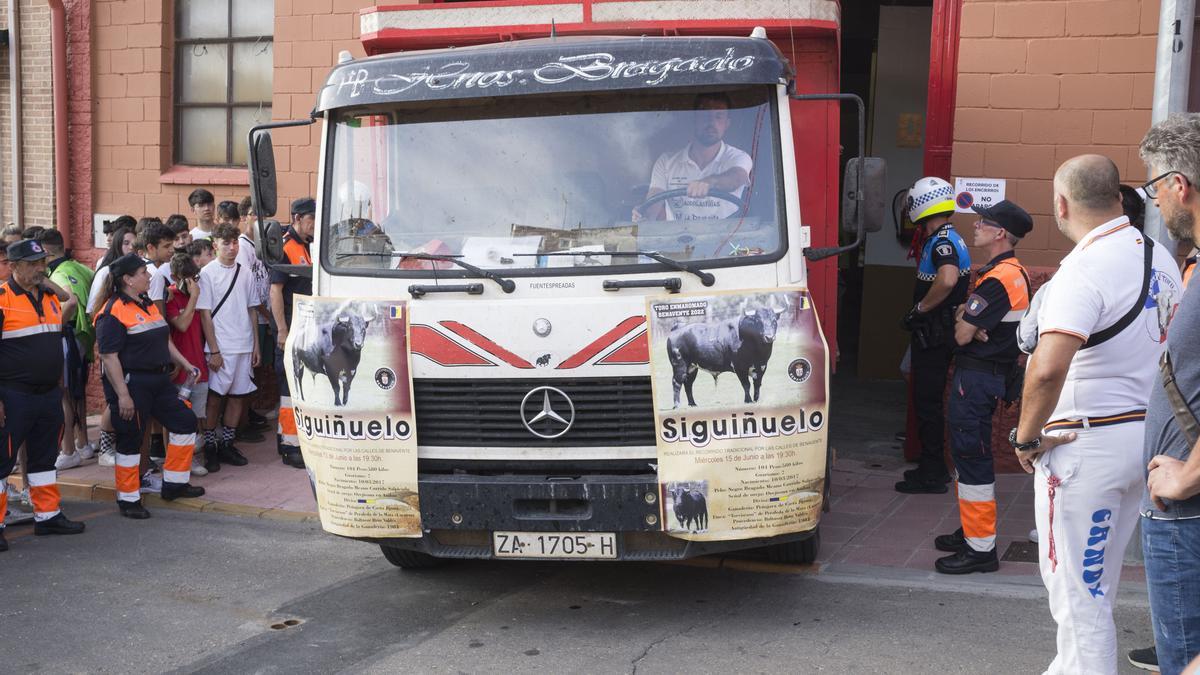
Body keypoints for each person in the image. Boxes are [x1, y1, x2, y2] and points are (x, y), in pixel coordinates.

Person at [1012, 155, 1181, 674]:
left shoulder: (1083, 271)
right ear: (1117, 195)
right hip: (1143, 438)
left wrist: (1025, 438)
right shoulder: (1160, 256)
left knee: (1077, 594)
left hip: (1087, 447)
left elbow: (1045, 369)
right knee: (1095, 585)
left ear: (1060, 205)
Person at [932, 201, 1033, 574]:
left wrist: (965, 320)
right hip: (987, 377)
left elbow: (961, 335)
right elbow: (968, 322)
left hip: (976, 379)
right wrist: (968, 319)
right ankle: (973, 531)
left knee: (972, 459)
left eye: (983, 223)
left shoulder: (997, 280)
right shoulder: (1011, 272)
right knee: (967, 456)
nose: (975, 226)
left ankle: (980, 550)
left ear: (1000, 233)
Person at [1135, 114, 1200, 675]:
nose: (1156, 202)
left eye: (1155, 186)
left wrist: (1189, 474)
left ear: (1179, 184)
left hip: (1188, 510)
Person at [93, 253, 205, 518]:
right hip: (132, 384)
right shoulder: (111, 313)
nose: (150, 276)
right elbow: (109, 358)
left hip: (159, 380)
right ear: (128, 280)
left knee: (185, 422)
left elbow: (164, 339)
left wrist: (185, 362)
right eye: (143, 272)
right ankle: (129, 499)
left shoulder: (146, 303)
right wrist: (123, 395)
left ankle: (175, 484)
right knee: (131, 440)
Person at [0, 239, 88, 550]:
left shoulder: (50, 296)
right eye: (33, 264)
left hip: (48, 394)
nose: (41, 268)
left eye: (43, 263)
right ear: (13, 267)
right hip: (14, 396)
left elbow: (70, 300)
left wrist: (42, 279)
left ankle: (47, 516)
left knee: (44, 458)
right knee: (2, 461)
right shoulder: (2, 298)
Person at [894, 176, 972, 494]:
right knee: (917, 386)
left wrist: (921, 309)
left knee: (927, 401)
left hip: (934, 334)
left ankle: (933, 471)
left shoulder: (942, 241)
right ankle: (930, 465)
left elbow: (949, 278)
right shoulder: (946, 236)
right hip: (934, 333)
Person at [197, 223, 260, 472]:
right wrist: (213, 350)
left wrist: (255, 344)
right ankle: (211, 446)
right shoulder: (207, 274)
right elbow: (205, 315)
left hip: (243, 344)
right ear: (216, 245)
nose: (232, 248)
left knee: (238, 397)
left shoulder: (245, 273)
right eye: (226, 243)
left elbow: (251, 309)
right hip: (221, 346)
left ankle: (227, 443)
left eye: (234, 242)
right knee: (215, 399)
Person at [634, 92, 752, 222]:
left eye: (718, 116)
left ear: (727, 124)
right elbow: (655, 198)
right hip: (676, 240)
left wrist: (710, 182)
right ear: (694, 119)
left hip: (728, 239)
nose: (711, 122)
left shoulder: (738, 157)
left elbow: (737, 177)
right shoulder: (666, 161)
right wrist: (643, 214)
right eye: (705, 115)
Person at [39, 229, 98, 470]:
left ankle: (68, 449)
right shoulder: (79, 267)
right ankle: (82, 443)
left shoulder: (60, 274)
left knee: (64, 394)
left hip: (69, 337)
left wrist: (52, 328)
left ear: (44, 252)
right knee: (77, 393)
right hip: (82, 338)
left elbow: (70, 301)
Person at [270, 198, 315, 469]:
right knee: (289, 390)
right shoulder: (285, 247)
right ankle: (290, 447)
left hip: (305, 325)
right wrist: (282, 330)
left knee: (299, 388)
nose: (314, 226)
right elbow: (275, 291)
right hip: (291, 325)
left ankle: (289, 438)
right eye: (311, 220)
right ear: (297, 218)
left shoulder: (308, 246)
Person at [165, 252, 210, 478]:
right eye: (187, 278)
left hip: (199, 366)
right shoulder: (171, 297)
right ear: (175, 277)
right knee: (180, 418)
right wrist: (193, 298)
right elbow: (181, 325)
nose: (192, 283)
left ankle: (196, 455)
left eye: (194, 277)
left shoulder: (198, 294)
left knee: (198, 417)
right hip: (180, 370)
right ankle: (180, 460)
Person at [236, 196, 272, 439]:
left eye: (262, 214)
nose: (259, 219)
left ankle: (248, 413)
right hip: (254, 315)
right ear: (244, 217)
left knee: (257, 369)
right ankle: (242, 420)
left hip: (263, 314)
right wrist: (267, 314)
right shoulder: (242, 247)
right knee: (249, 370)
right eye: (253, 214)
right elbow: (248, 291)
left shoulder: (261, 243)